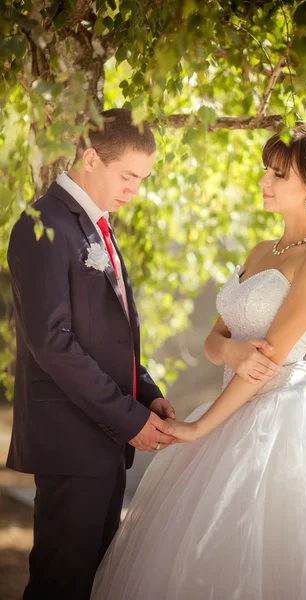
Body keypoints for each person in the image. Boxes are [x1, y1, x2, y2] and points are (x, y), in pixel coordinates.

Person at [91, 124, 306, 600]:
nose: (265, 181)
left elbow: (268, 363)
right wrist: (232, 350)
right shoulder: (261, 251)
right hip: (233, 406)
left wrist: (198, 429)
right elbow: (216, 340)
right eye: (266, 170)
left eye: (279, 173)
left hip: (282, 420)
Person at [7, 108, 195, 600]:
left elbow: (110, 338)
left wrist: (147, 394)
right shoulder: (43, 225)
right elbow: (54, 343)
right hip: (71, 439)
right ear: (91, 157)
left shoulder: (98, 227)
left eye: (142, 178)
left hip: (104, 438)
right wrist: (128, 417)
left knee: (95, 582)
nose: (135, 188)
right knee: (60, 584)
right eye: (128, 175)